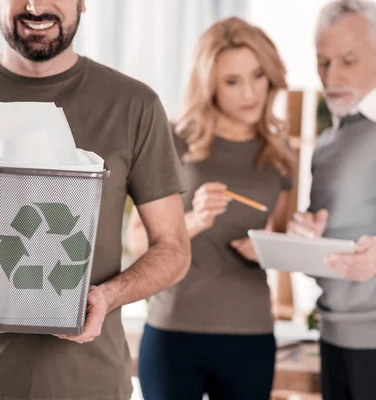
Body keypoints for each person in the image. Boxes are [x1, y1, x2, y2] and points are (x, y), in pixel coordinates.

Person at [0, 1, 191, 399]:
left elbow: (174, 248)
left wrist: (110, 295)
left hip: (92, 384)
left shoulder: (134, 105)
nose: (36, 6)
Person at [126, 17, 295, 400]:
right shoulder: (172, 139)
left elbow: (281, 239)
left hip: (251, 333)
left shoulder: (279, 152)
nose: (250, 92)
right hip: (174, 331)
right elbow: (136, 241)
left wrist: (273, 245)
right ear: (210, 86)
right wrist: (194, 221)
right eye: (232, 82)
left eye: (258, 75)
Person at [287, 1, 376, 399]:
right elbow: (335, 266)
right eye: (322, 61)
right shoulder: (328, 145)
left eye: (348, 60)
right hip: (335, 339)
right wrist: (308, 244)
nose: (332, 76)